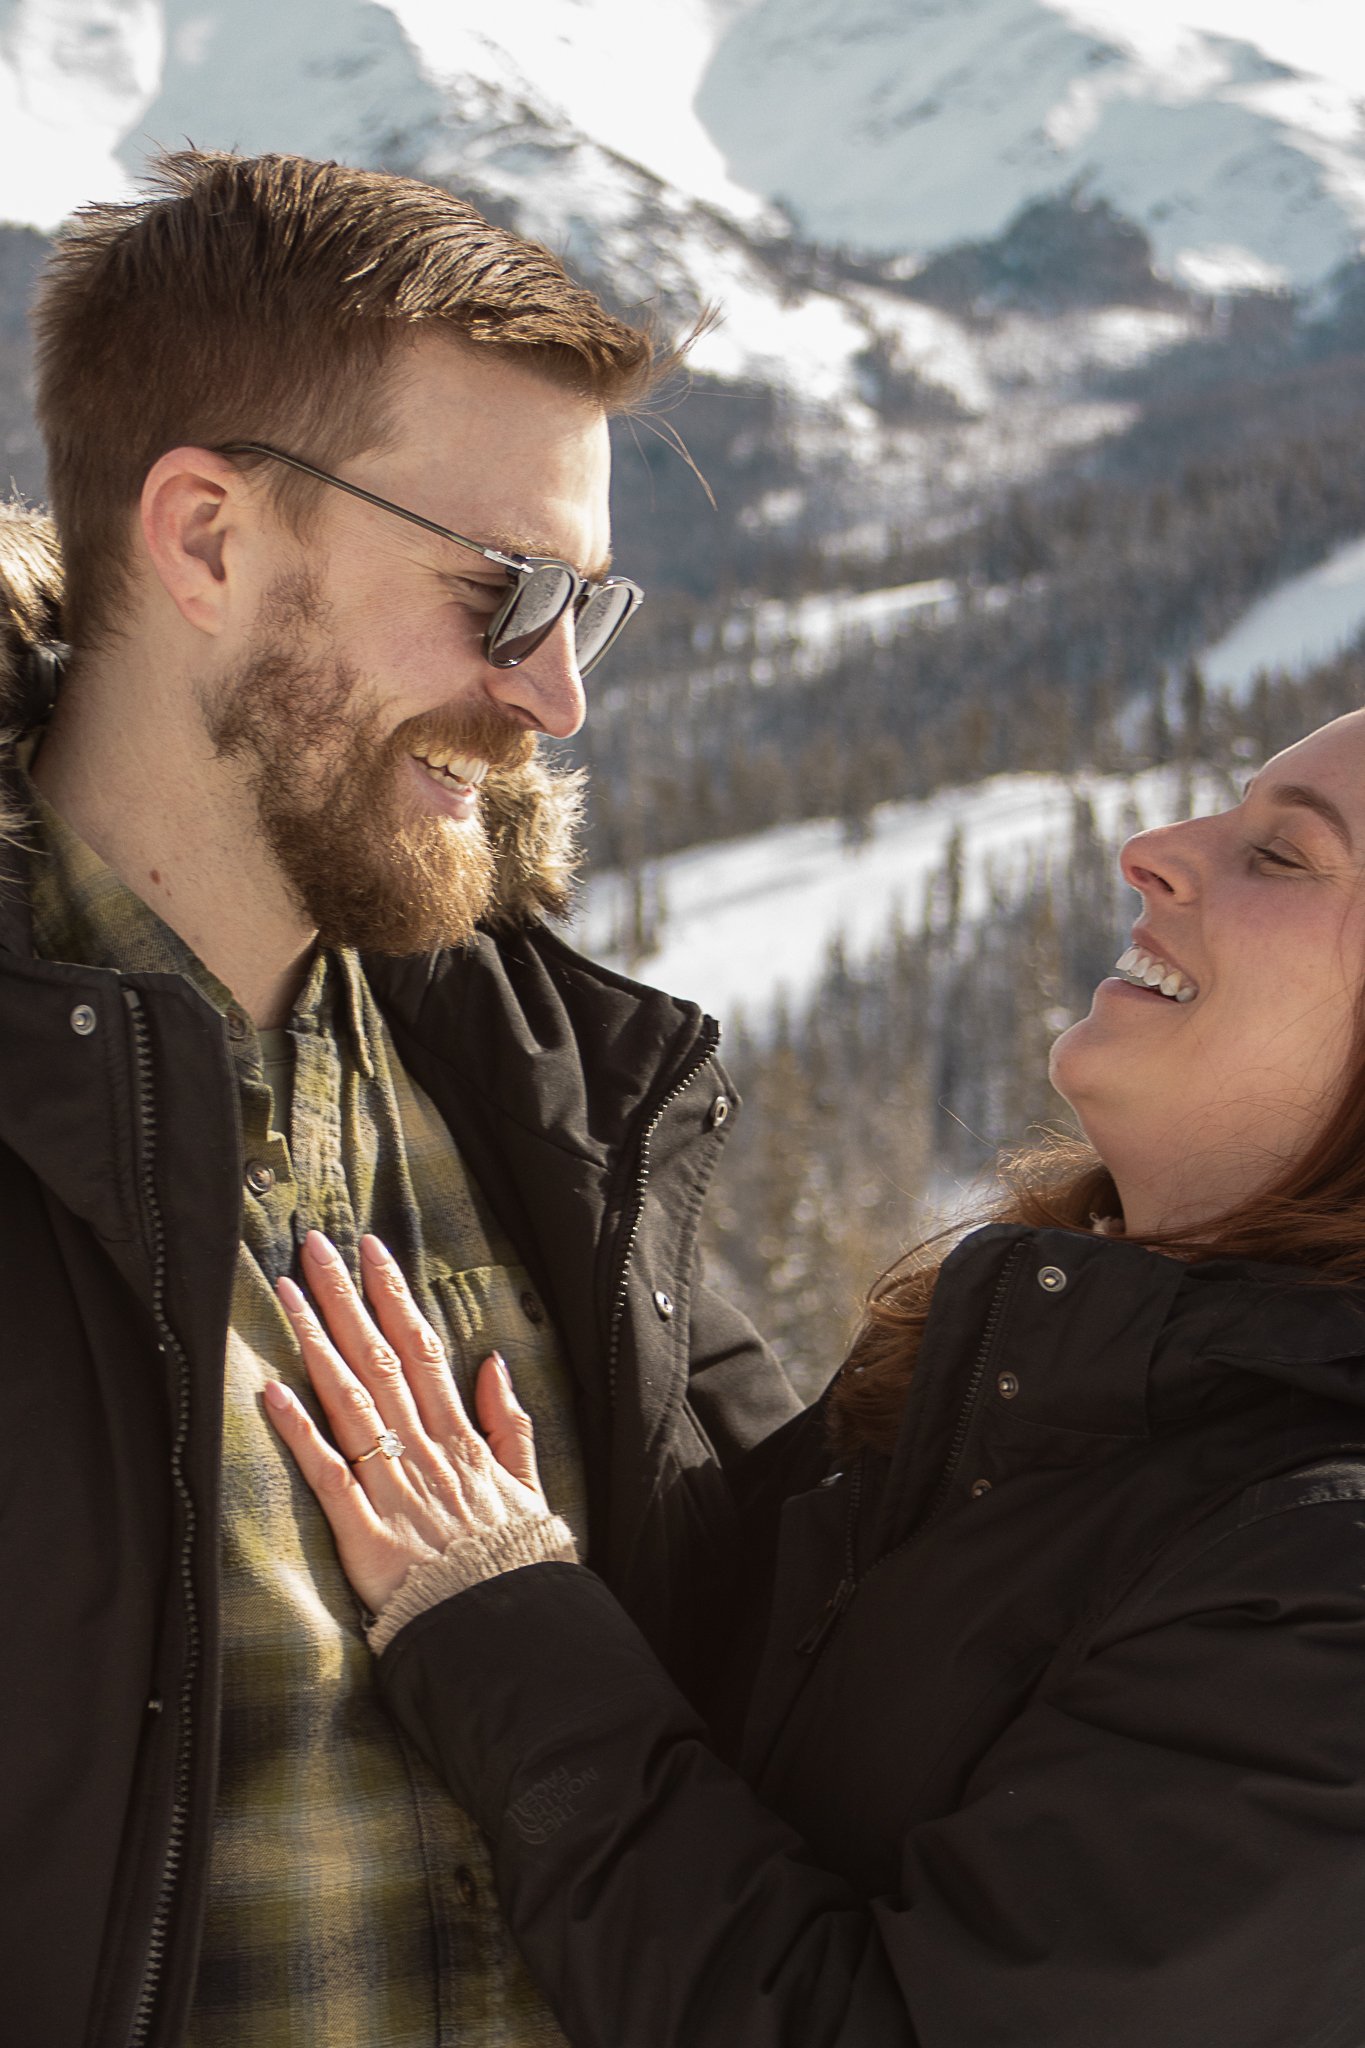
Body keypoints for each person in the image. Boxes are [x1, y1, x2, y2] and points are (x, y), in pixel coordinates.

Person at [0, 149, 797, 2048]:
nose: (554, 695)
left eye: (582, 608)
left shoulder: (566, 1112)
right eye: (500, 590)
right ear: (204, 540)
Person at [275, 706, 1365, 2047]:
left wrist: (499, 1627)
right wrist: (408, 876)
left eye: (1282, 855)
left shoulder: (1323, 1584)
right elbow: (710, 1490)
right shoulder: (1049, 1384)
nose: (1154, 848)